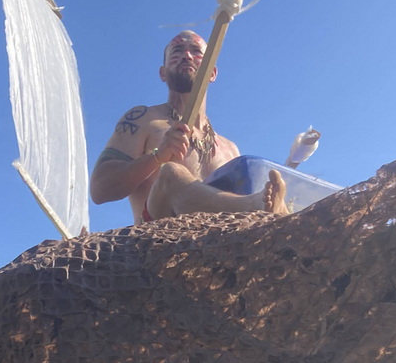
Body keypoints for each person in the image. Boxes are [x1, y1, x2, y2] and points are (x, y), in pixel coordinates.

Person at [89, 30, 287, 223]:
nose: (187, 56)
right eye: (177, 51)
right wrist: (157, 157)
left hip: (215, 238)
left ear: (212, 73)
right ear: (163, 73)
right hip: (156, 235)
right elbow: (100, 189)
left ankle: (279, 216)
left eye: (196, 51)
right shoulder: (144, 119)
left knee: (277, 195)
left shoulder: (230, 149)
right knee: (171, 174)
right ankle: (256, 210)